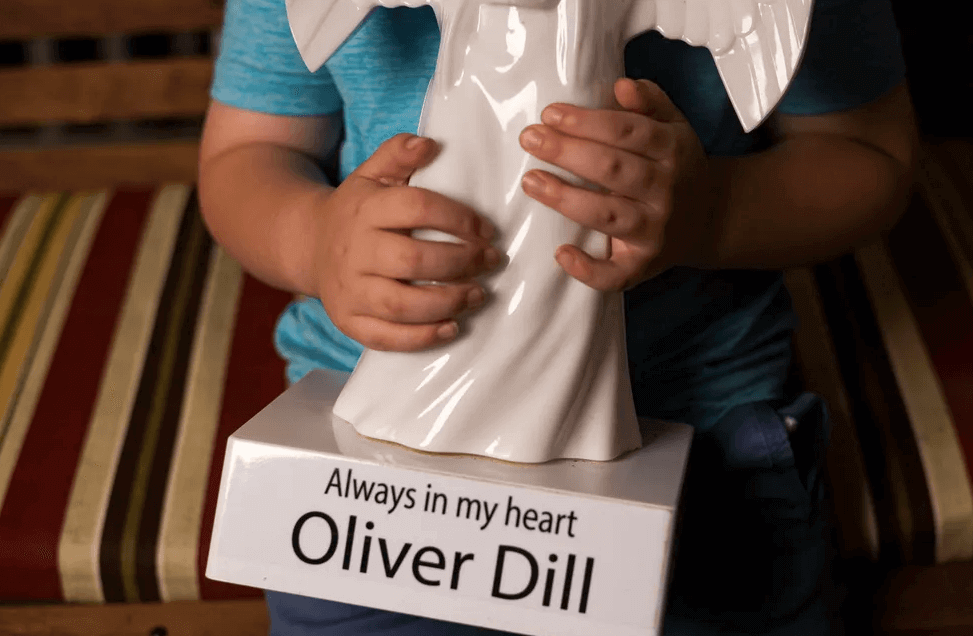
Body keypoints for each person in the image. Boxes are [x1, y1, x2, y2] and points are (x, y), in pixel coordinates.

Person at [198, 0, 918, 633]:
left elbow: (864, 155)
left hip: (705, 439)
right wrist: (316, 239)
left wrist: (713, 210)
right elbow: (248, 154)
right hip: (361, 479)